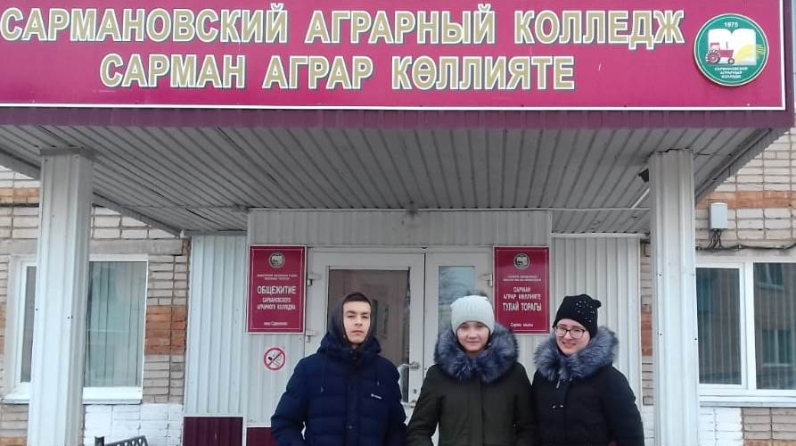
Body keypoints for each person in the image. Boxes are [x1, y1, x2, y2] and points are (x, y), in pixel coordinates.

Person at [271, 292, 407, 446]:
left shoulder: (385, 372)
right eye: (351, 316)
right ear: (337, 320)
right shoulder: (309, 369)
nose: (359, 322)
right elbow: (284, 422)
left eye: (365, 316)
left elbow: (396, 430)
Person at [406, 293, 534, 446]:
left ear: (490, 329)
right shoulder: (438, 376)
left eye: (479, 326)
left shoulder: (513, 374)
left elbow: (529, 428)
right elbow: (418, 430)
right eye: (464, 327)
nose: (472, 334)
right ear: (456, 331)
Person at [531, 293, 644, 446]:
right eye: (562, 328)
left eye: (577, 330)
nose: (567, 336)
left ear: (590, 334)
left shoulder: (610, 380)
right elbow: (533, 427)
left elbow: (631, 437)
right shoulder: (544, 376)